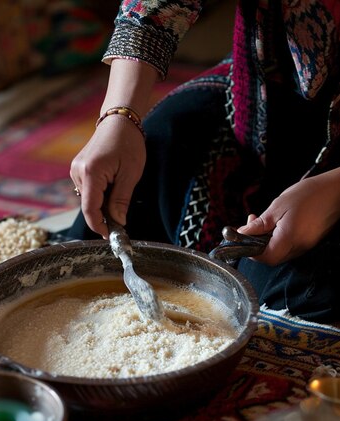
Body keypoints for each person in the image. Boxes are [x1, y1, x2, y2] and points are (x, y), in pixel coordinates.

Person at [69, 0, 340, 323]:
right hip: (270, 89)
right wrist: (120, 115)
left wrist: (333, 193)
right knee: (154, 155)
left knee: (294, 292)